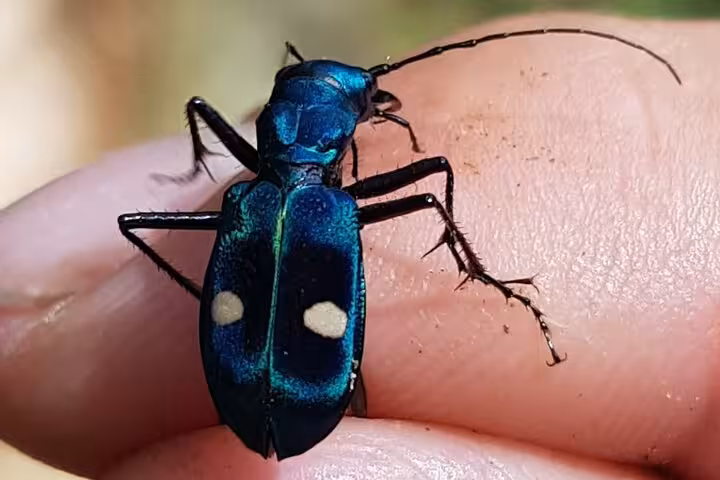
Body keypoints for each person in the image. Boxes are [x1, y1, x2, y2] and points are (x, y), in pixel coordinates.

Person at [0, 14, 716, 479]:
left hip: (252, 333)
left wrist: (200, 287)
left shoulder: (243, 194)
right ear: (347, 123)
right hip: (287, 346)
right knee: (432, 180)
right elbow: (435, 181)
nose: (375, 105)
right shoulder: (326, 199)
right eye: (364, 101)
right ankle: (486, 280)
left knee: (137, 221)